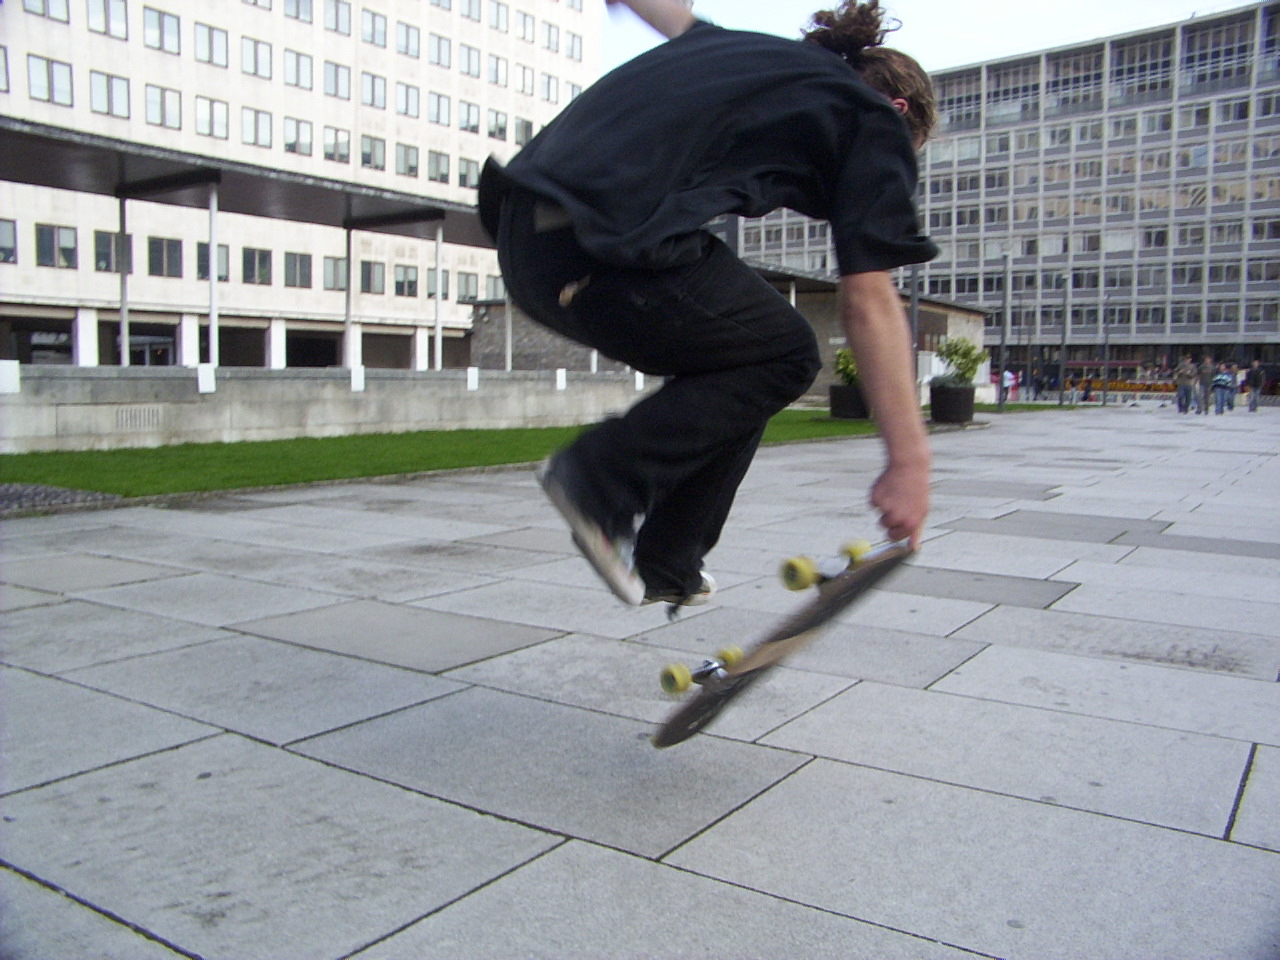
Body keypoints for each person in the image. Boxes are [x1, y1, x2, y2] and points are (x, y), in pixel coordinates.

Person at [479, 0, 936, 606]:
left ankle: (671, 561)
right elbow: (870, 299)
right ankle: (597, 481)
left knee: (743, 356)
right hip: (599, 246)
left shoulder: (735, 49)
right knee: (787, 354)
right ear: (898, 110)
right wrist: (909, 461)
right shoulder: (873, 119)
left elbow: (668, 15)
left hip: (528, 245)